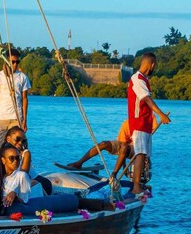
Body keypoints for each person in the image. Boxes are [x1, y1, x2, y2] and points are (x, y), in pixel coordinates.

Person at [128, 52, 171, 195]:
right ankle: (135, 186)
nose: (155, 68)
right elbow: (146, 99)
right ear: (151, 64)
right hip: (139, 123)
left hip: (146, 124)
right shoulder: (137, 79)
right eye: (155, 65)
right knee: (140, 154)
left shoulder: (145, 79)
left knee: (144, 154)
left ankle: (139, 183)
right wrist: (161, 114)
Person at [60, 118, 160, 175]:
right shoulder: (126, 124)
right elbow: (123, 144)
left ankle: (114, 173)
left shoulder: (149, 117)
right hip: (127, 148)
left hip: (139, 147)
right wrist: (124, 166)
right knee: (103, 144)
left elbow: (154, 127)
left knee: (125, 147)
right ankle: (79, 163)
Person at [0, 48, 31, 164]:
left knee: (19, 145)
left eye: (17, 62)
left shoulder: (22, 77)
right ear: (6, 61)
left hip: (16, 118)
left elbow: (24, 99)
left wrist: (24, 120)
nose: (15, 64)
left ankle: (20, 167)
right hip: (1, 118)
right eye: (12, 62)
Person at [4, 127, 52, 197]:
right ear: (8, 139)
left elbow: (24, 175)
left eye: (23, 141)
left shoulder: (26, 153)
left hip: (38, 181)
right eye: (17, 139)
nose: (20, 143)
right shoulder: (4, 153)